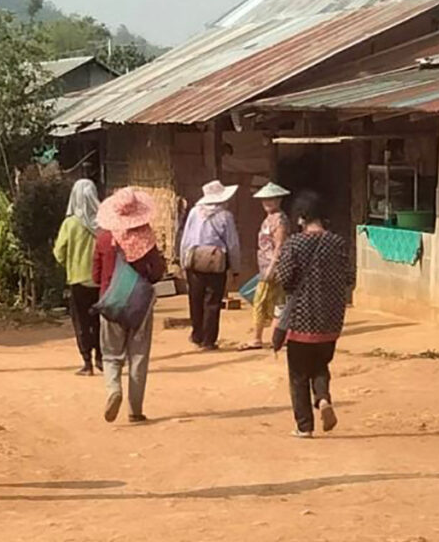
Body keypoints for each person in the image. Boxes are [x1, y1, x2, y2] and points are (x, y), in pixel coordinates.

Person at [274, 190, 353, 438]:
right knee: (320, 365)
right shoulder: (338, 243)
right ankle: (322, 399)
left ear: (301, 218)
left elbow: (285, 279)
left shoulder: (294, 244)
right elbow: (349, 278)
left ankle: (304, 426)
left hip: (300, 319)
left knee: (298, 374)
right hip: (330, 320)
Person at [93, 188, 167, 424]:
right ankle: (135, 410)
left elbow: (95, 275)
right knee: (138, 356)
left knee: (112, 355)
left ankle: (114, 389)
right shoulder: (147, 238)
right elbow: (156, 273)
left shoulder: (104, 238)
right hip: (140, 306)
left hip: (111, 302)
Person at [179, 179, 241, 351]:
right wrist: (235, 269)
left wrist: (183, 261)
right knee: (212, 301)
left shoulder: (194, 212)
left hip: (194, 260)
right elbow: (233, 244)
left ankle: (197, 334)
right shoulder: (226, 216)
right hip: (216, 262)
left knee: (195, 298)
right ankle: (209, 340)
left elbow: (186, 239)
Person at [54, 178, 103, 376]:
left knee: (81, 322)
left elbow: (59, 252)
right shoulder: (103, 223)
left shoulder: (70, 224)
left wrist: (69, 262)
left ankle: (87, 363)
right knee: (100, 320)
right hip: (100, 281)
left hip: (78, 280)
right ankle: (101, 357)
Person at [240, 182, 291, 351]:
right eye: (265, 200)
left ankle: (258, 338)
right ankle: (276, 338)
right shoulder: (270, 219)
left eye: (271, 199)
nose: (267, 203)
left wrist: (272, 266)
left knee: (261, 301)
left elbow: (280, 245)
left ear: (278, 200)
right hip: (267, 266)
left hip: (273, 267)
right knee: (277, 302)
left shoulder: (280, 220)